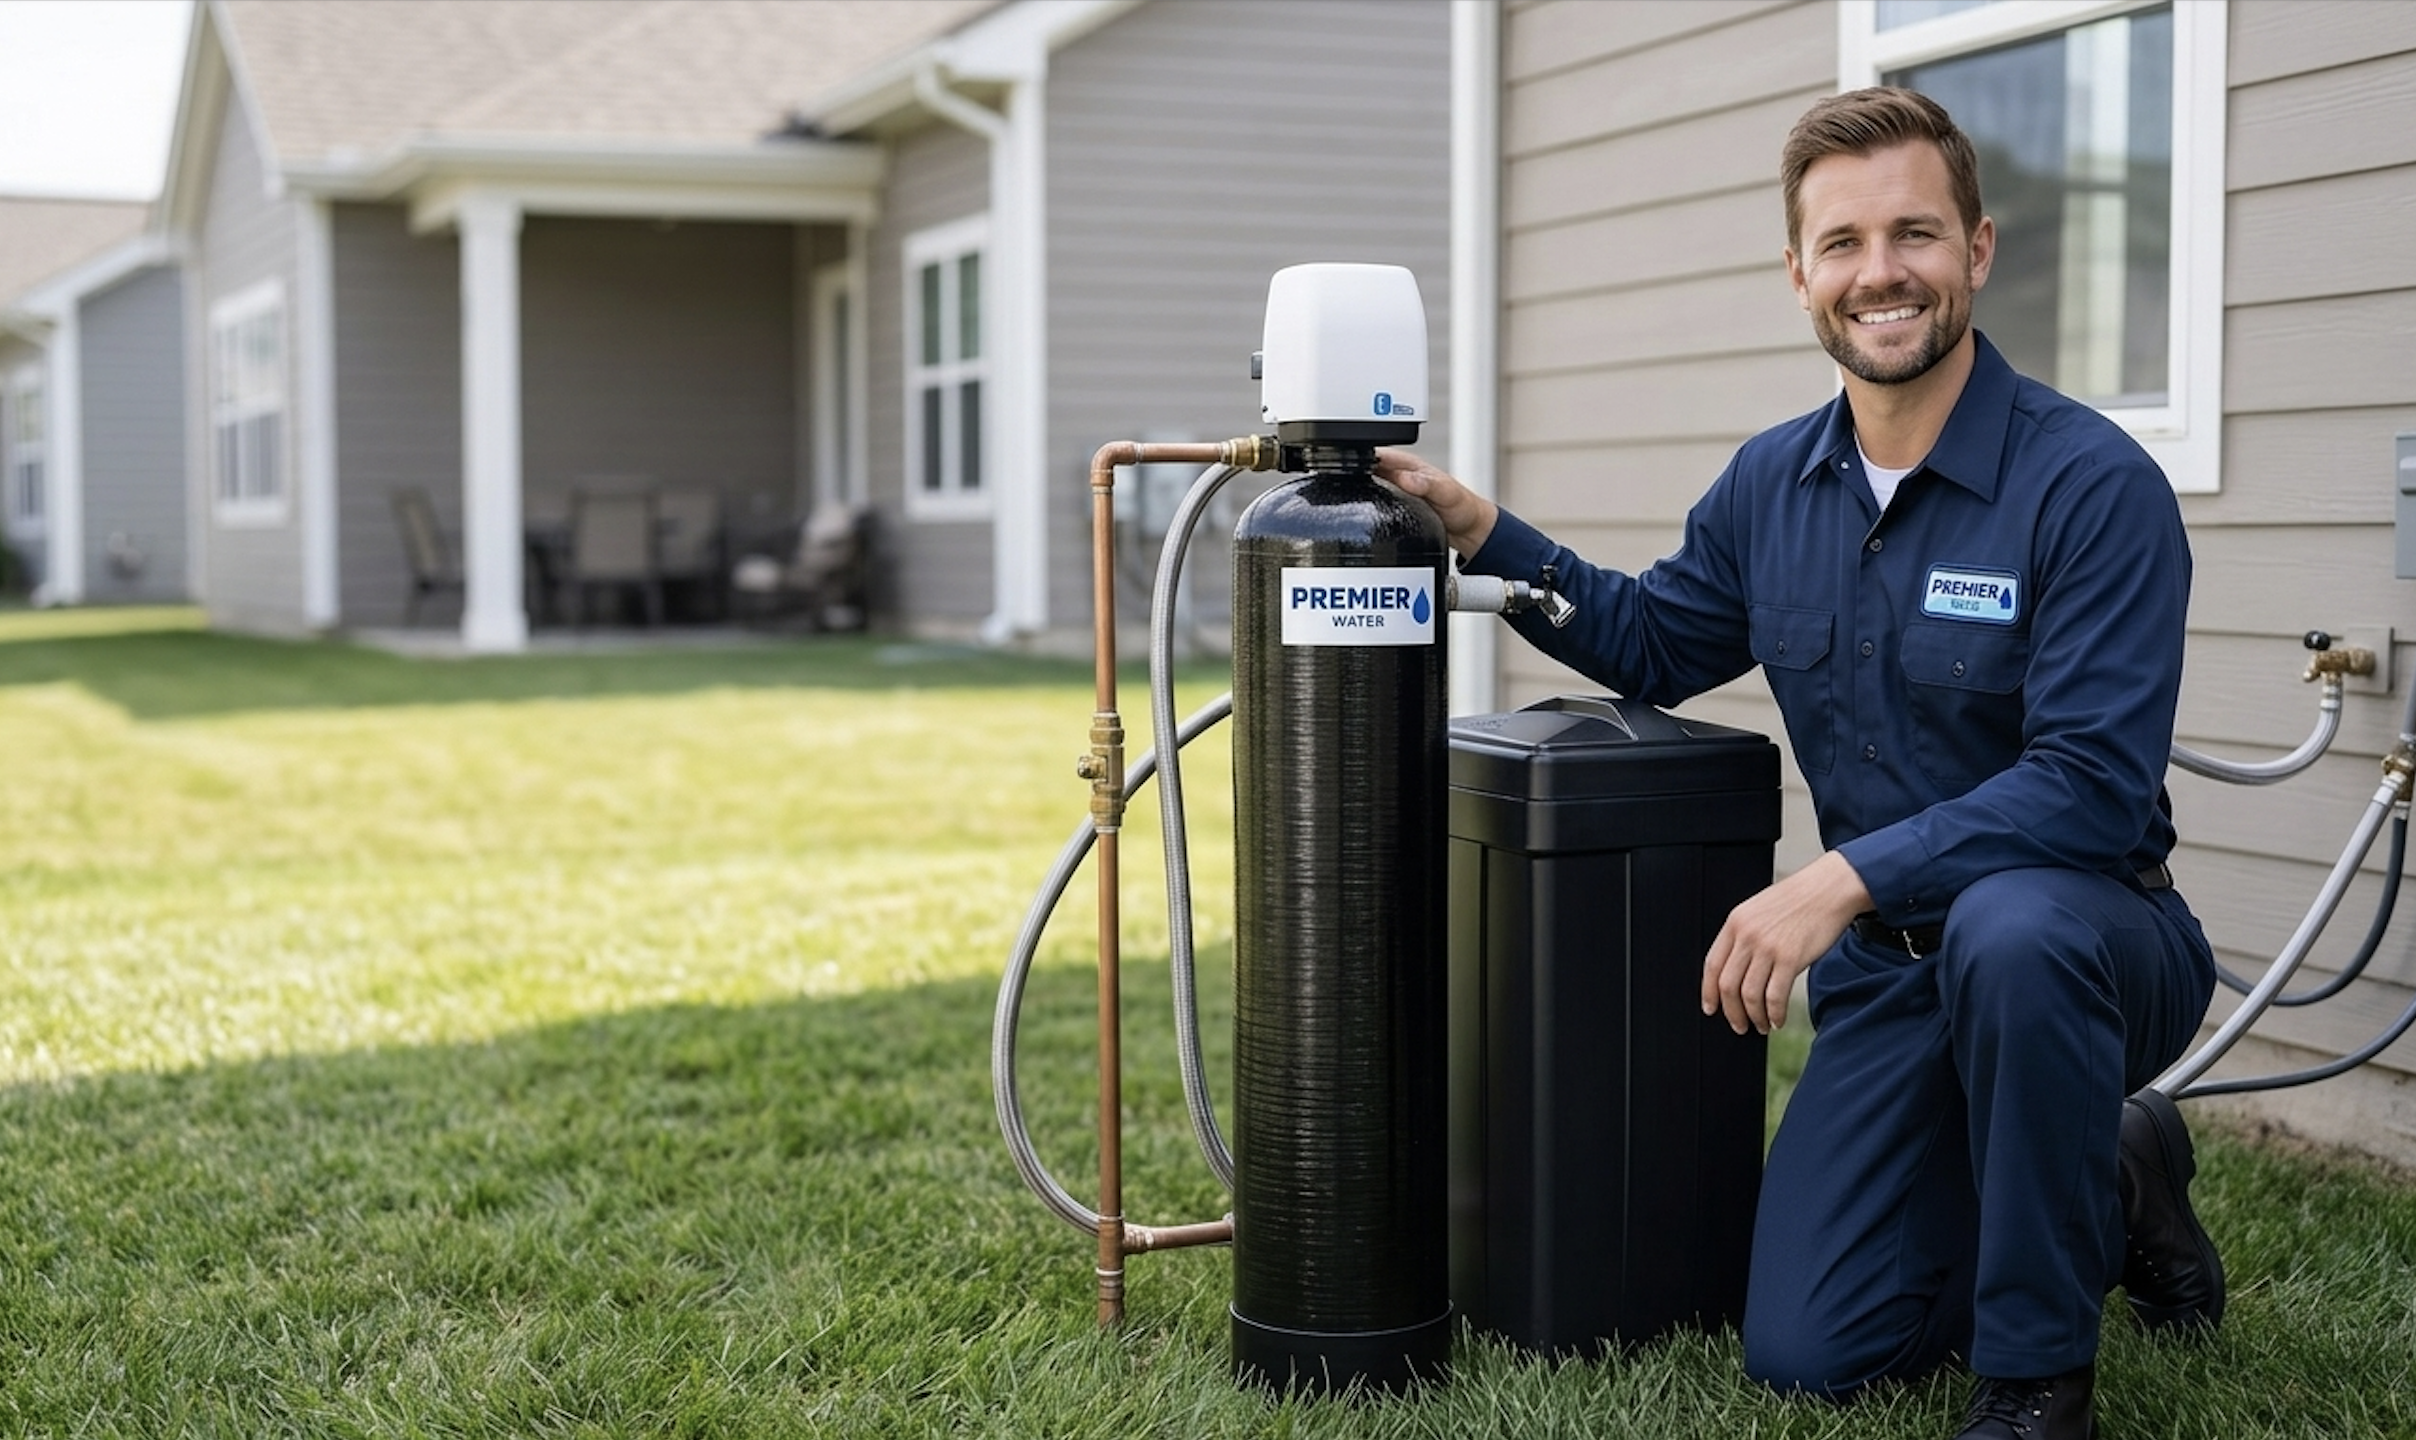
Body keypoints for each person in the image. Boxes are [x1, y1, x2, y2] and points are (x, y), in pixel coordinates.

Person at [1377, 87, 2225, 1440]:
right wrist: (1486, 529)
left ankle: (2035, 1379)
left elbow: (2091, 785)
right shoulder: (1773, 487)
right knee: (1813, 1353)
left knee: (2011, 931)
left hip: (2093, 945)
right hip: (1895, 989)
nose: (1879, 272)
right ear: (1799, 274)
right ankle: (2115, 1174)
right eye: (1842, 244)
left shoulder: (2090, 484)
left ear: (1979, 250)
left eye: (1914, 234)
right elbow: (1654, 641)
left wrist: (1839, 877)